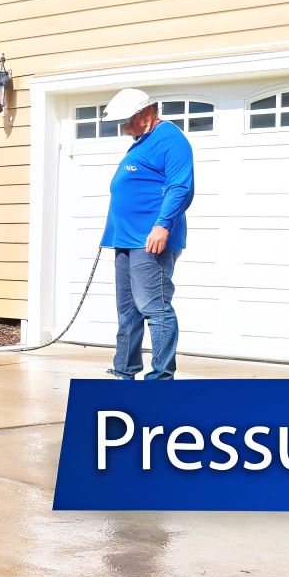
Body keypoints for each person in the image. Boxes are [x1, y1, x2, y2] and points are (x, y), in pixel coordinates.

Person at [98, 88, 195, 381]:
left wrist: (162, 225)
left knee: (154, 308)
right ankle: (124, 372)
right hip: (125, 239)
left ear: (145, 113)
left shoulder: (170, 139)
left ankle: (161, 380)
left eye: (126, 121)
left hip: (149, 240)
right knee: (127, 311)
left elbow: (181, 186)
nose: (123, 128)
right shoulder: (143, 141)